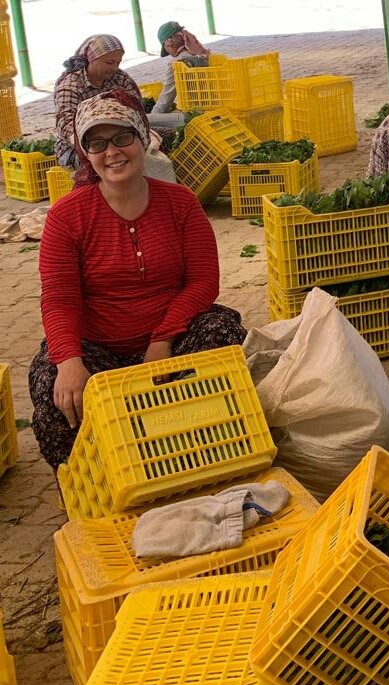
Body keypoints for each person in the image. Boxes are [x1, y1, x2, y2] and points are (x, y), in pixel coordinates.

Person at [29, 91, 246, 470]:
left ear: (142, 138)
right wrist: (69, 361)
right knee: (54, 388)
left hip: (171, 339)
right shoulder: (67, 216)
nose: (111, 152)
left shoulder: (181, 203)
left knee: (223, 334)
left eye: (121, 138)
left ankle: (204, 455)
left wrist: (161, 340)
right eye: (97, 143)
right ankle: (94, 481)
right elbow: (60, 299)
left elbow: (202, 283)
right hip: (98, 347)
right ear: (86, 154)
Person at [53, 35, 141, 169]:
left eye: (118, 63)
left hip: (119, 137)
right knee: (110, 164)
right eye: (109, 62)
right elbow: (65, 124)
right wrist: (95, 142)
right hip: (79, 146)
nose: (114, 68)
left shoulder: (120, 78)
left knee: (162, 139)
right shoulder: (70, 86)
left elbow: (137, 108)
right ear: (91, 60)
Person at [154, 21, 211, 115]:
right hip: (215, 106)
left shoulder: (177, 63)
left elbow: (166, 97)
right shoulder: (204, 55)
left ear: (169, 45)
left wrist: (152, 116)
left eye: (165, 48)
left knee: (154, 120)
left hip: (195, 113)